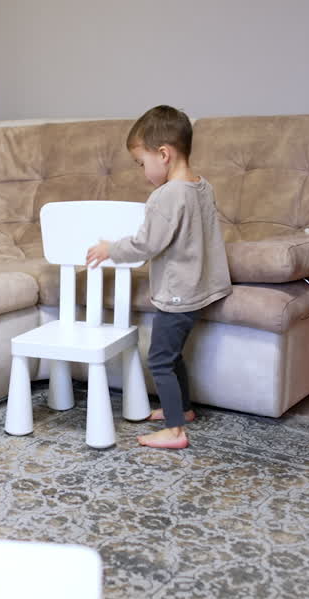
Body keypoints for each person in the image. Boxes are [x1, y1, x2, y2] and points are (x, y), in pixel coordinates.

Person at [86, 105, 231, 449]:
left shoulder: (166, 196)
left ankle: (176, 430)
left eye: (141, 162)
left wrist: (111, 249)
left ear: (163, 154)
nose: (142, 171)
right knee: (175, 353)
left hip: (178, 293)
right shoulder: (202, 187)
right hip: (200, 288)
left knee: (160, 359)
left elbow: (146, 244)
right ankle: (183, 408)